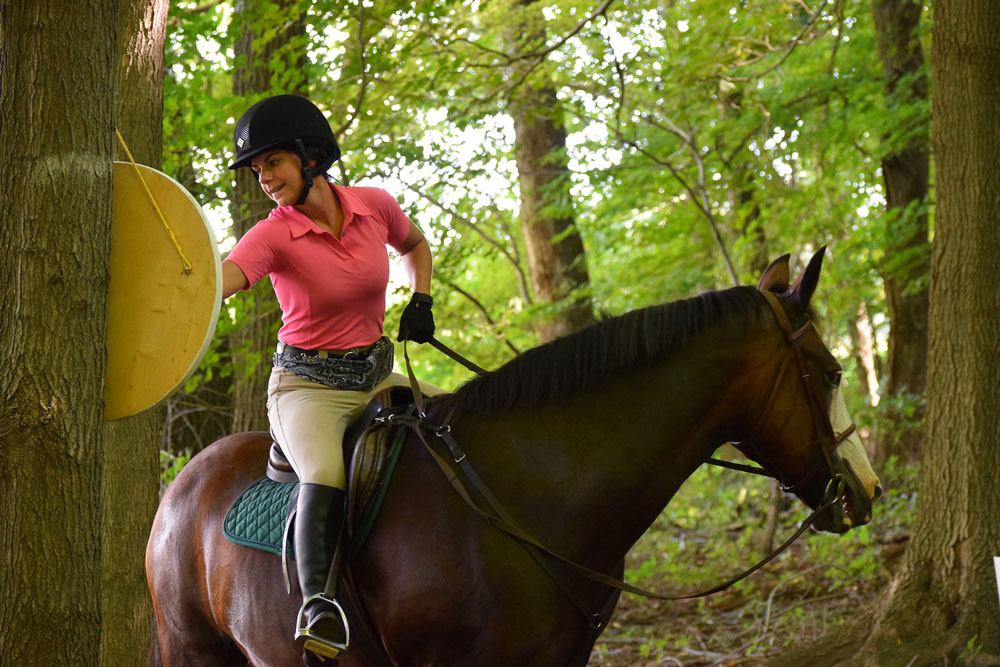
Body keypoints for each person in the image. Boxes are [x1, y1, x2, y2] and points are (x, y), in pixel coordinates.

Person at [220, 94, 443, 662]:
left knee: (461, 419)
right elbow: (218, 282)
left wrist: (422, 297)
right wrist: (183, 278)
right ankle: (318, 606)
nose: (263, 179)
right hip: (306, 389)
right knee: (323, 470)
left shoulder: (374, 206)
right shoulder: (271, 235)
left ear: (310, 155)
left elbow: (414, 244)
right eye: (256, 170)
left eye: (272, 163)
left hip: (375, 375)